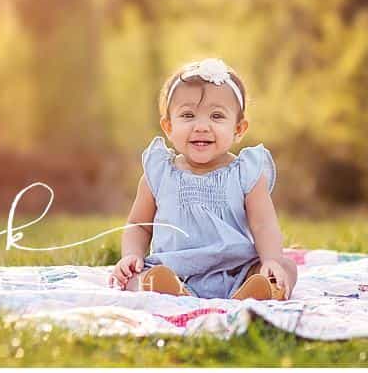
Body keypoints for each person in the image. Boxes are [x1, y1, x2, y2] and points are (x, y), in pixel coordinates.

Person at [110, 57, 298, 301]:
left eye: (217, 116)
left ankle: (256, 291)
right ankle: (168, 290)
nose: (201, 126)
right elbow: (139, 225)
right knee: (138, 276)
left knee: (286, 267)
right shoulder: (159, 173)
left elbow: (264, 225)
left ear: (238, 129)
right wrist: (131, 255)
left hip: (236, 270)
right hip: (174, 270)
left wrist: (271, 261)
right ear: (168, 127)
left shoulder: (246, 173)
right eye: (188, 115)